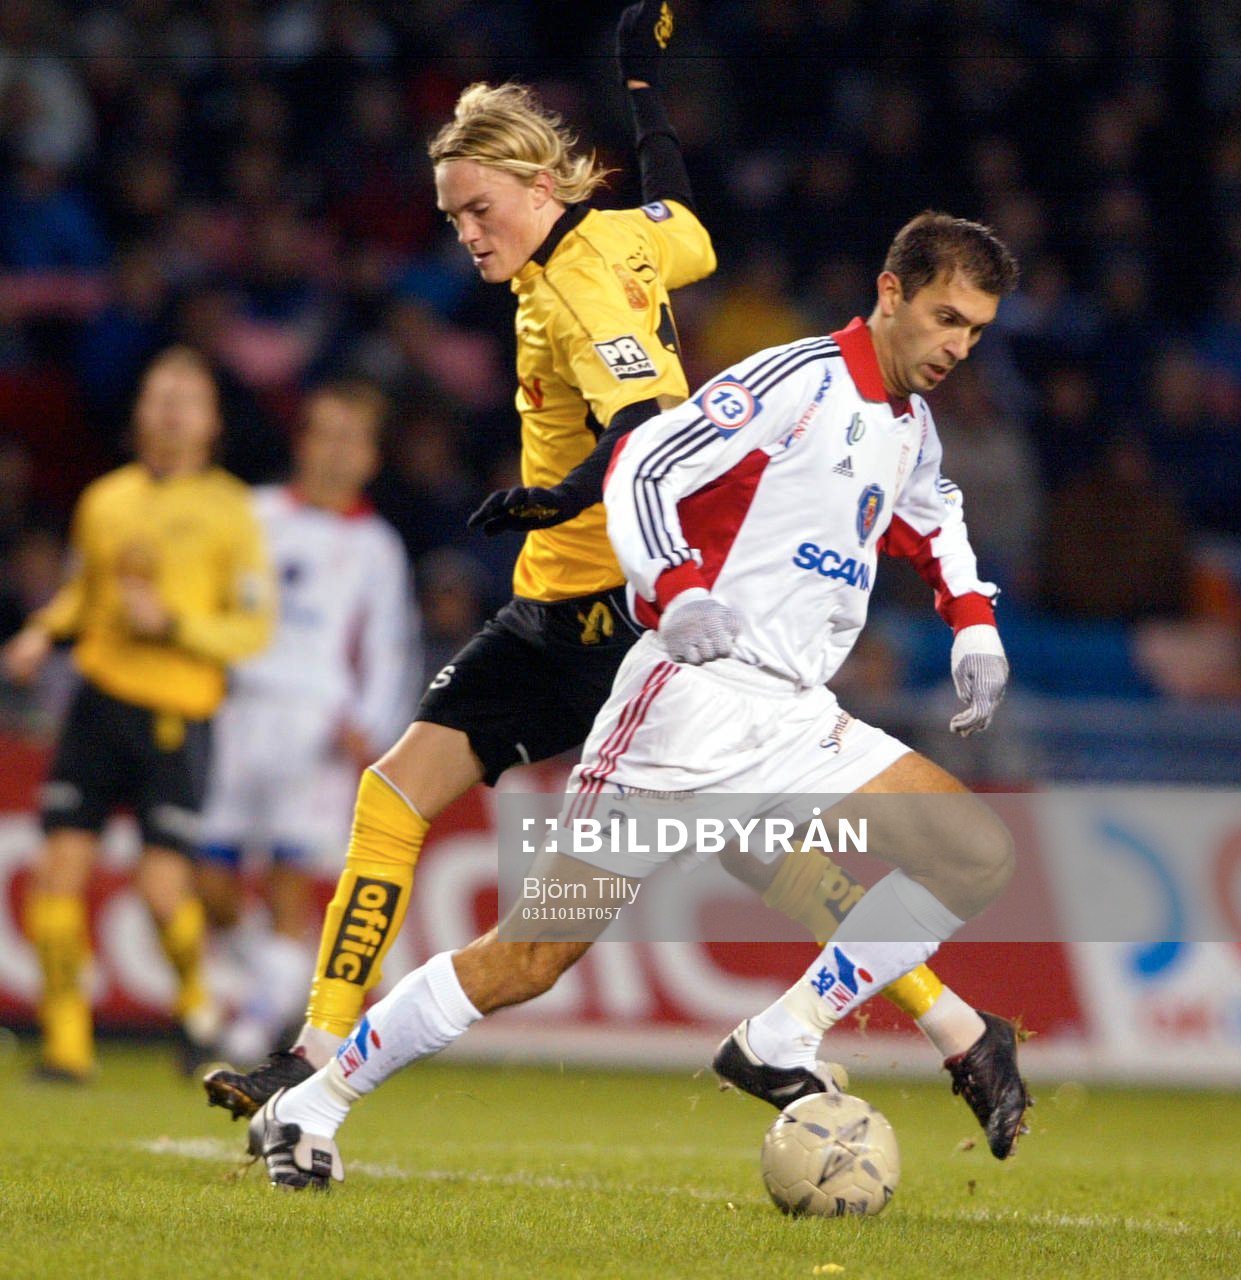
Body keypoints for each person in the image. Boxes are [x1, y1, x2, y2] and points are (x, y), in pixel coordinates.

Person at [206, 3, 1020, 1155]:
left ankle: (807, 1032)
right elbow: (685, 225)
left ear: (540, 187)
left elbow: (647, 434)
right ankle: (317, 1082)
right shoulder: (649, 262)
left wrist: (566, 505)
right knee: (533, 924)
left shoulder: (592, 286)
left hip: (660, 634)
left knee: (918, 851)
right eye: (452, 216)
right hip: (639, 658)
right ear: (892, 295)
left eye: (477, 210)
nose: (465, 235)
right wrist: (643, 90)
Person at [1, 346, 274, 1080]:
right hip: (98, 704)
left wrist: (176, 626)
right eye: (159, 396)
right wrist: (42, 632)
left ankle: (195, 1011)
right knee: (57, 872)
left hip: (176, 716)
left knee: (160, 891)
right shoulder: (105, 500)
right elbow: (83, 593)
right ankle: (66, 1047)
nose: (170, 411)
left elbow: (252, 628)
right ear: (139, 413)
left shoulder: (231, 510)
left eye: (186, 399)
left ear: (212, 422)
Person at [196, 382, 416, 1065]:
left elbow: (389, 647)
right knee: (210, 882)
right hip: (236, 708)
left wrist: (369, 724)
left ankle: (252, 1030)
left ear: (371, 458)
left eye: (352, 440)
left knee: (288, 883)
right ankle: (277, 983)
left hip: (316, 724)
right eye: (326, 434)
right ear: (303, 442)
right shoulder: (253, 514)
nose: (336, 452)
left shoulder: (376, 546)